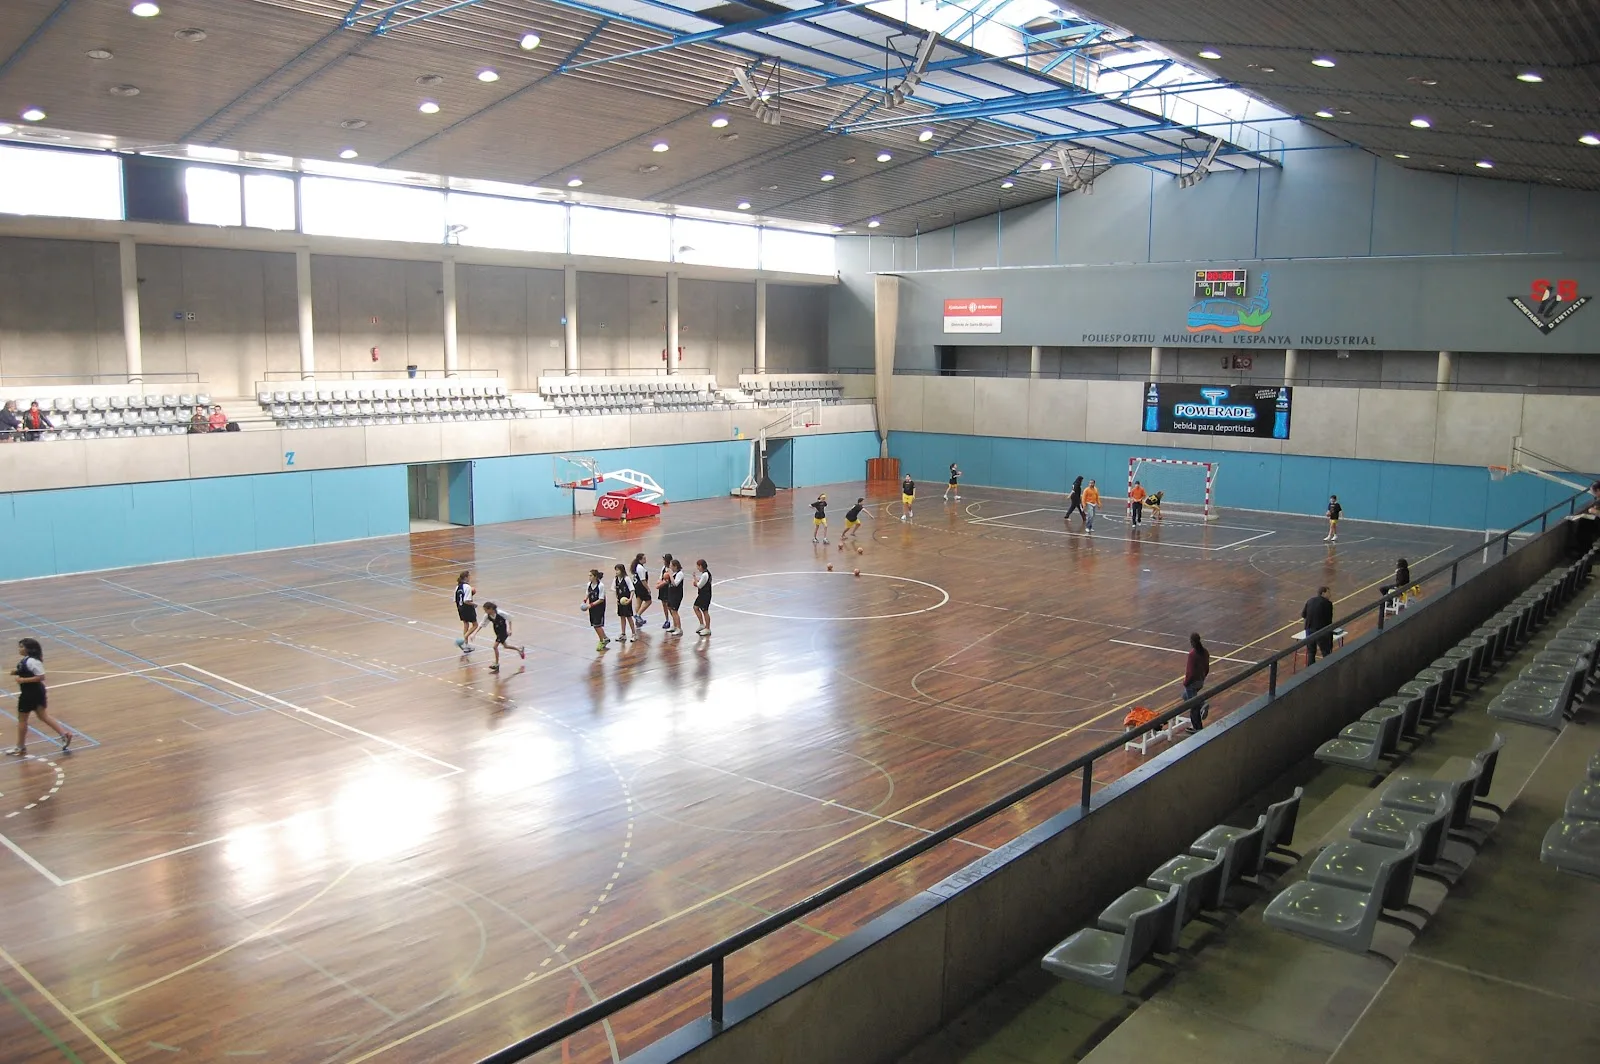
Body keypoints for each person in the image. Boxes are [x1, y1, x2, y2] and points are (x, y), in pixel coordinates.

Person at [9, 638, 71, 757]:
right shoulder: (28, 660)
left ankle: (20, 747)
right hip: (35, 692)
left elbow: (41, 676)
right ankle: (64, 734)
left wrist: (23, 680)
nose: (19, 649)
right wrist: (17, 672)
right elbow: (29, 671)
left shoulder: (33, 661)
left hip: (30, 693)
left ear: (29, 649)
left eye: (22, 647)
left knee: (22, 720)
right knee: (43, 716)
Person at [480, 602, 526, 673]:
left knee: (495, 647)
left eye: (486, 610)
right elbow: (482, 624)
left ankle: (496, 664)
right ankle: (519, 649)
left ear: (491, 609)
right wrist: (474, 633)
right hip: (497, 631)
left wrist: (510, 629)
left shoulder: (500, 613)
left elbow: (510, 618)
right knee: (506, 646)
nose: (485, 611)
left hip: (503, 631)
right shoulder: (487, 615)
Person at [1182, 632, 1211, 731]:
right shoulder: (1205, 652)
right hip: (1200, 681)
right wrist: (1202, 677)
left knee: (1193, 707)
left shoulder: (1192, 654)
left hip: (1192, 683)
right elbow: (1207, 668)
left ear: (1192, 642)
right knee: (1185, 696)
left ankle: (1197, 727)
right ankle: (1201, 703)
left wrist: (1186, 682)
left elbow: (1190, 672)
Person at [1301, 585, 1335, 664]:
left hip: (1309, 630)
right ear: (1323, 593)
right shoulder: (1328, 604)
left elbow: (1303, 615)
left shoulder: (1310, 600)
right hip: (1321, 631)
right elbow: (1328, 619)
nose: (1330, 595)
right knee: (1325, 651)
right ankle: (1327, 668)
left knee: (1311, 652)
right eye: (1328, 592)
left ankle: (1310, 671)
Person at [582, 569, 610, 651]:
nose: (589, 577)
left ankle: (602, 641)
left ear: (595, 577)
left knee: (597, 625)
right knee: (595, 624)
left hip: (599, 607)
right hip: (592, 607)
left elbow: (601, 599)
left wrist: (590, 605)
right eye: (589, 575)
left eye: (591, 576)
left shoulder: (601, 586)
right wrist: (584, 601)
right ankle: (605, 638)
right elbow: (588, 593)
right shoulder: (589, 584)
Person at [453, 571, 480, 652]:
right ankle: (464, 640)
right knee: (475, 625)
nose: (470, 578)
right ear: (466, 577)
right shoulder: (467, 587)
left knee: (466, 624)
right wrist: (474, 604)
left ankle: (466, 645)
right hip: (467, 608)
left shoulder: (457, 587)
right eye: (469, 576)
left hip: (460, 608)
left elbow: (455, 600)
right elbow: (466, 601)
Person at [612, 564, 638, 642]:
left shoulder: (626, 578)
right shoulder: (616, 579)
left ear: (622, 570)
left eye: (618, 570)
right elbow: (614, 589)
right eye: (615, 570)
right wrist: (616, 598)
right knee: (622, 616)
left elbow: (632, 590)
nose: (616, 572)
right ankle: (623, 634)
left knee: (629, 617)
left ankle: (634, 634)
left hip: (627, 601)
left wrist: (630, 599)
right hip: (620, 602)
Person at [631, 552, 654, 630]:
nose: (645, 559)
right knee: (649, 601)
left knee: (639, 602)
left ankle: (638, 621)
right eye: (644, 558)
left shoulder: (638, 567)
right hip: (641, 587)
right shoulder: (640, 568)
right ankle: (638, 615)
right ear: (640, 559)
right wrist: (648, 588)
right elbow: (643, 580)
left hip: (637, 587)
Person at [664, 559, 686, 636]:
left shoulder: (680, 574)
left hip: (677, 595)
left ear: (675, 566)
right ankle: (674, 625)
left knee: (674, 611)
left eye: (671, 565)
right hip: (671, 593)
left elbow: (675, 584)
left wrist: (670, 574)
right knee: (670, 608)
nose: (669, 567)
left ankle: (679, 628)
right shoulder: (674, 573)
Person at [692, 558, 713, 636]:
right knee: (695, 607)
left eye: (698, 566)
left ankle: (708, 628)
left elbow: (700, 585)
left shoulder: (705, 574)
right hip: (701, 595)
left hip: (705, 595)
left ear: (701, 566)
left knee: (705, 611)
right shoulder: (705, 574)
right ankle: (702, 624)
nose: (697, 568)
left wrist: (695, 580)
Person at [656, 553, 676, 630]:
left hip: (668, 588)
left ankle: (675, 622)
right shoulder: (663, 568)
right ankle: (667, 620)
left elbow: (669, 580)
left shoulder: (671, 569)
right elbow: (661, 577)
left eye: (664, 559)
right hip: (663, 588)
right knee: (664, 604)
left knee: (669, 606)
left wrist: (661, 584)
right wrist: (659, 582)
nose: (663, 561)